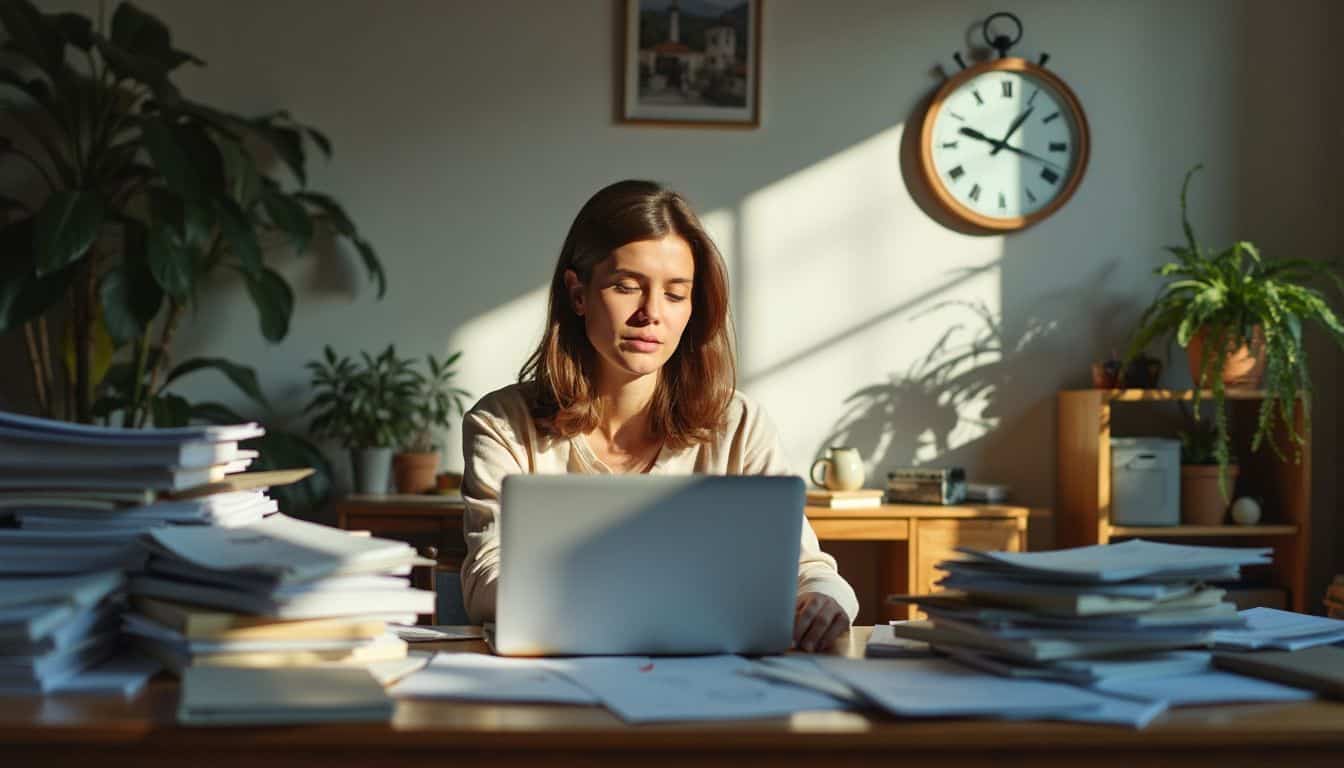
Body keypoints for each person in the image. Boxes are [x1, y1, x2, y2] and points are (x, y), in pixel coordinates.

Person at [460, 180, 859, 652]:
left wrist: (823, 600)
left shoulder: (739, 423)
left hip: (708, 693)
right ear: (578, 292)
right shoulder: (504, 423)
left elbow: (809, 570)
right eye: (627, 287)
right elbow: (488, 578)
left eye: (675, 294)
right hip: (557, 681)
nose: (651, 314)